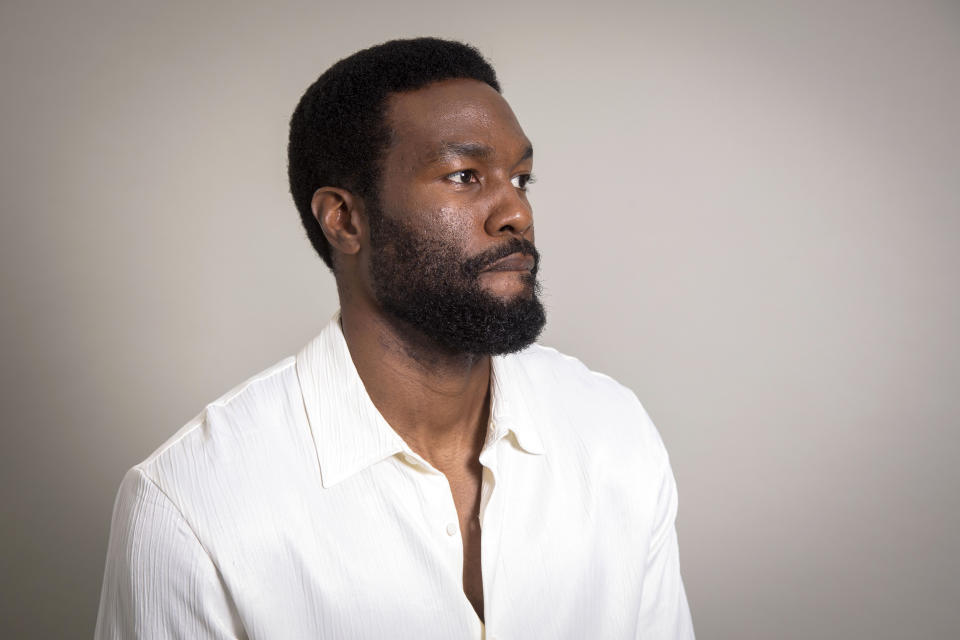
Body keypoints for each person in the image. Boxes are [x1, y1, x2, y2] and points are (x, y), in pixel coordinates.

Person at [95, 37, 695, 639]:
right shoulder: (190, 506)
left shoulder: (613, 435)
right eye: (464, 175)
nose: (515, 212)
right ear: (346, 220)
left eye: (521, 178)